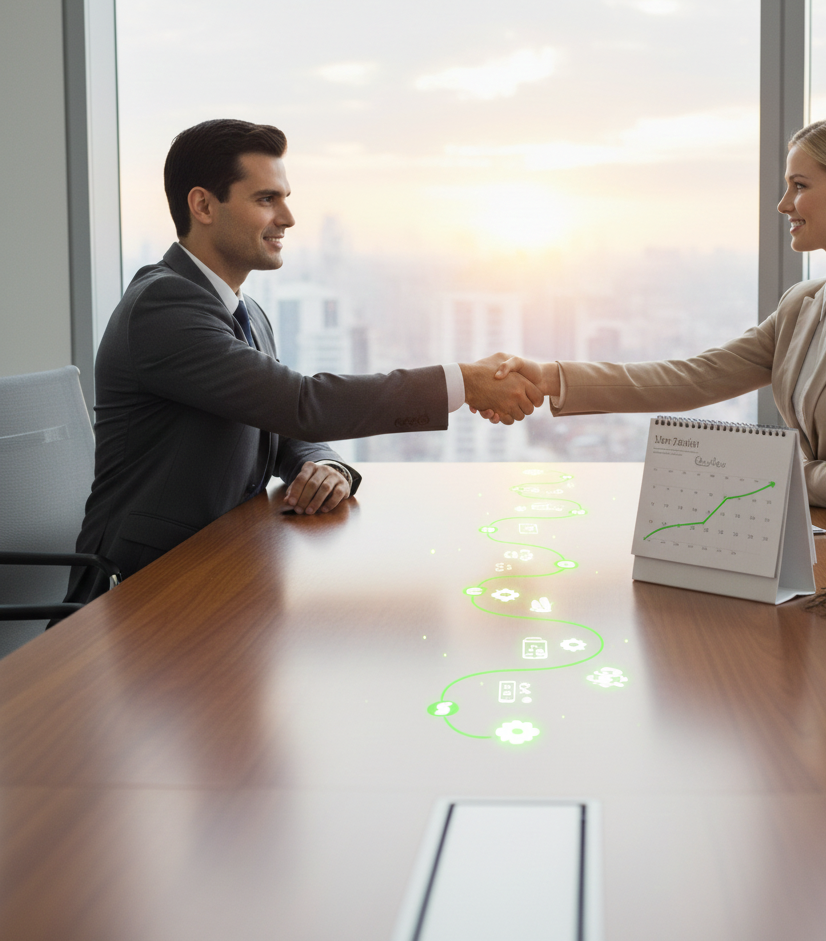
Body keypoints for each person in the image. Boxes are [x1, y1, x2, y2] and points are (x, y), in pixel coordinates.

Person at [72, 119, 541, 599]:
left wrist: (324, 464)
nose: (288, 218)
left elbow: (276, 423)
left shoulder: (245, 310)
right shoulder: (163, 308)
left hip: (221, 571)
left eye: (284, 198)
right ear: (203, 205)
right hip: (139, 591)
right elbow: (301, 403)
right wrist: (462, 381)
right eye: (266, 199)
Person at [481, 111, 826, 557]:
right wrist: (547, 376)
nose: (784, 204)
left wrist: (766, 469)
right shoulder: (802, 304)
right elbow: (695, 377)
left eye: (800, 185)